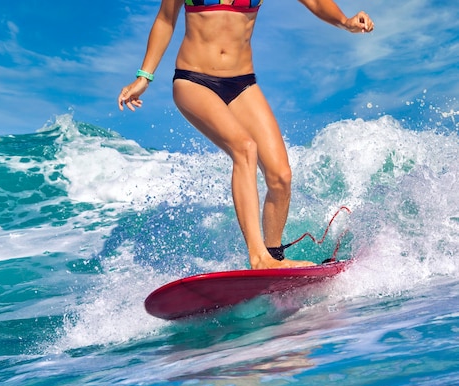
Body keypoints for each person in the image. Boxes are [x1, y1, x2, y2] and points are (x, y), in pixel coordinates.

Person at [117, 0, 374, 269]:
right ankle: (258, 256)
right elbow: (165, 19)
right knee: (245, 148)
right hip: (193, 80)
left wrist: (345, 22)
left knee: (280, 176)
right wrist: (144, 77)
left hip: (242, 84)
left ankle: (274, 258)